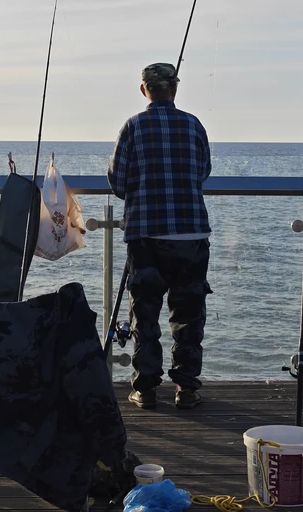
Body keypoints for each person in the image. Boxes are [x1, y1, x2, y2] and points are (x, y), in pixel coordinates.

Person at [107, 62, 212, 410]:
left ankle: (147, 388)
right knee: (189, 313)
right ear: (175, 90)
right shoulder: (194, 125)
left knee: (145, 314)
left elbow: (118, 182)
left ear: (144, 90)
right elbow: (203, 172)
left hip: (146, 235)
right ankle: (186, 389)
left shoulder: (133, 126)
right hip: (191, 235)